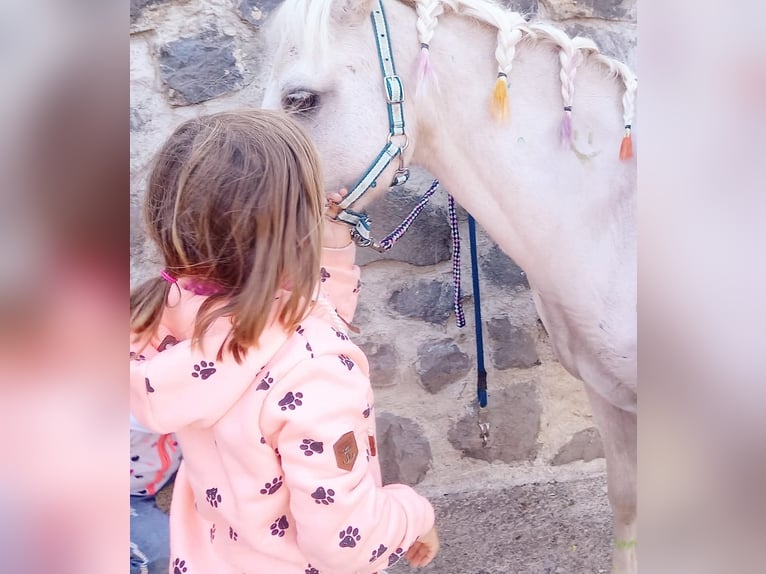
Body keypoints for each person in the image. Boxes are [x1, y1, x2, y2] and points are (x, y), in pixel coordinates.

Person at [129, 110, 439, 574]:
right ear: (296, 230)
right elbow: (342, 547)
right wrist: (412, 514)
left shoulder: (175, 316)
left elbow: (290, 336)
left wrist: (332, 251)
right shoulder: (316, 367)